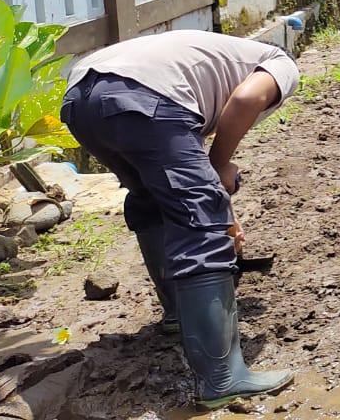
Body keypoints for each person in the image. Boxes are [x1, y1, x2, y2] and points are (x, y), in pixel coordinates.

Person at [59, 30, 299, 409]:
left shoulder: (205, 62)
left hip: (81, 99)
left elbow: (186, 169)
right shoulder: (280, 63)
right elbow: (247, 99)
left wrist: (221, 206)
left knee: (153, 197)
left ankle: (176, 314)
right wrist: (219, 166)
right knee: (200, 220)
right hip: (144, 98)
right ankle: (223, 379)